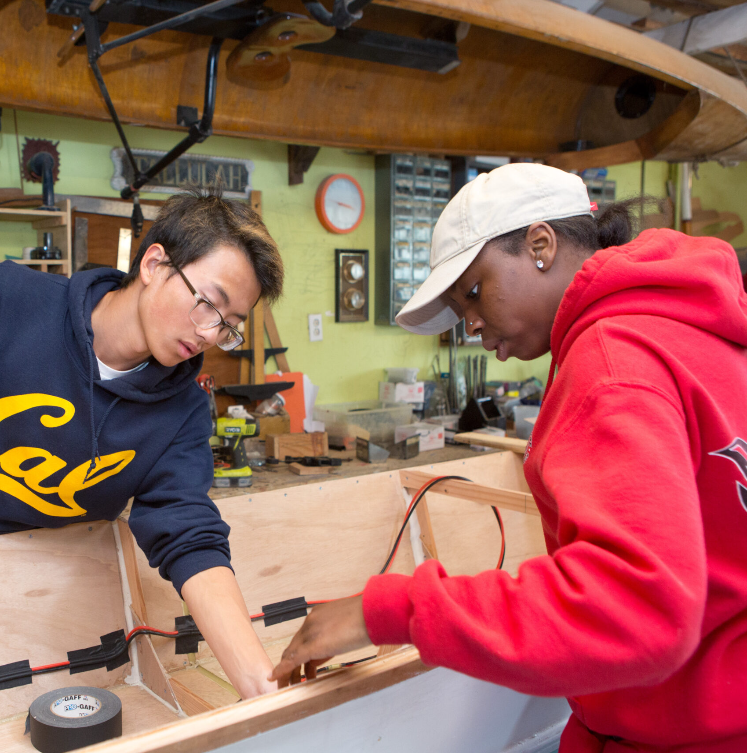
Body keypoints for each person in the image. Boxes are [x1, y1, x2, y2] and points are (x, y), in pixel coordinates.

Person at [270, 163, 747, 751]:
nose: (471, 325)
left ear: (540, 244)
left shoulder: (611, 360)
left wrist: (386, 611)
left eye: (473, 292)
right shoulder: (688, 325)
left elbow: (636, 607)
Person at [0, 187, 284, 699]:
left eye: (228, 326)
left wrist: (265, 692)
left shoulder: (184, 413)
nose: (208, 335)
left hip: (55, 604)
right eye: (208, 305)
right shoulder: (11, 302)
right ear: (154, 263)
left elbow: (188, 535)